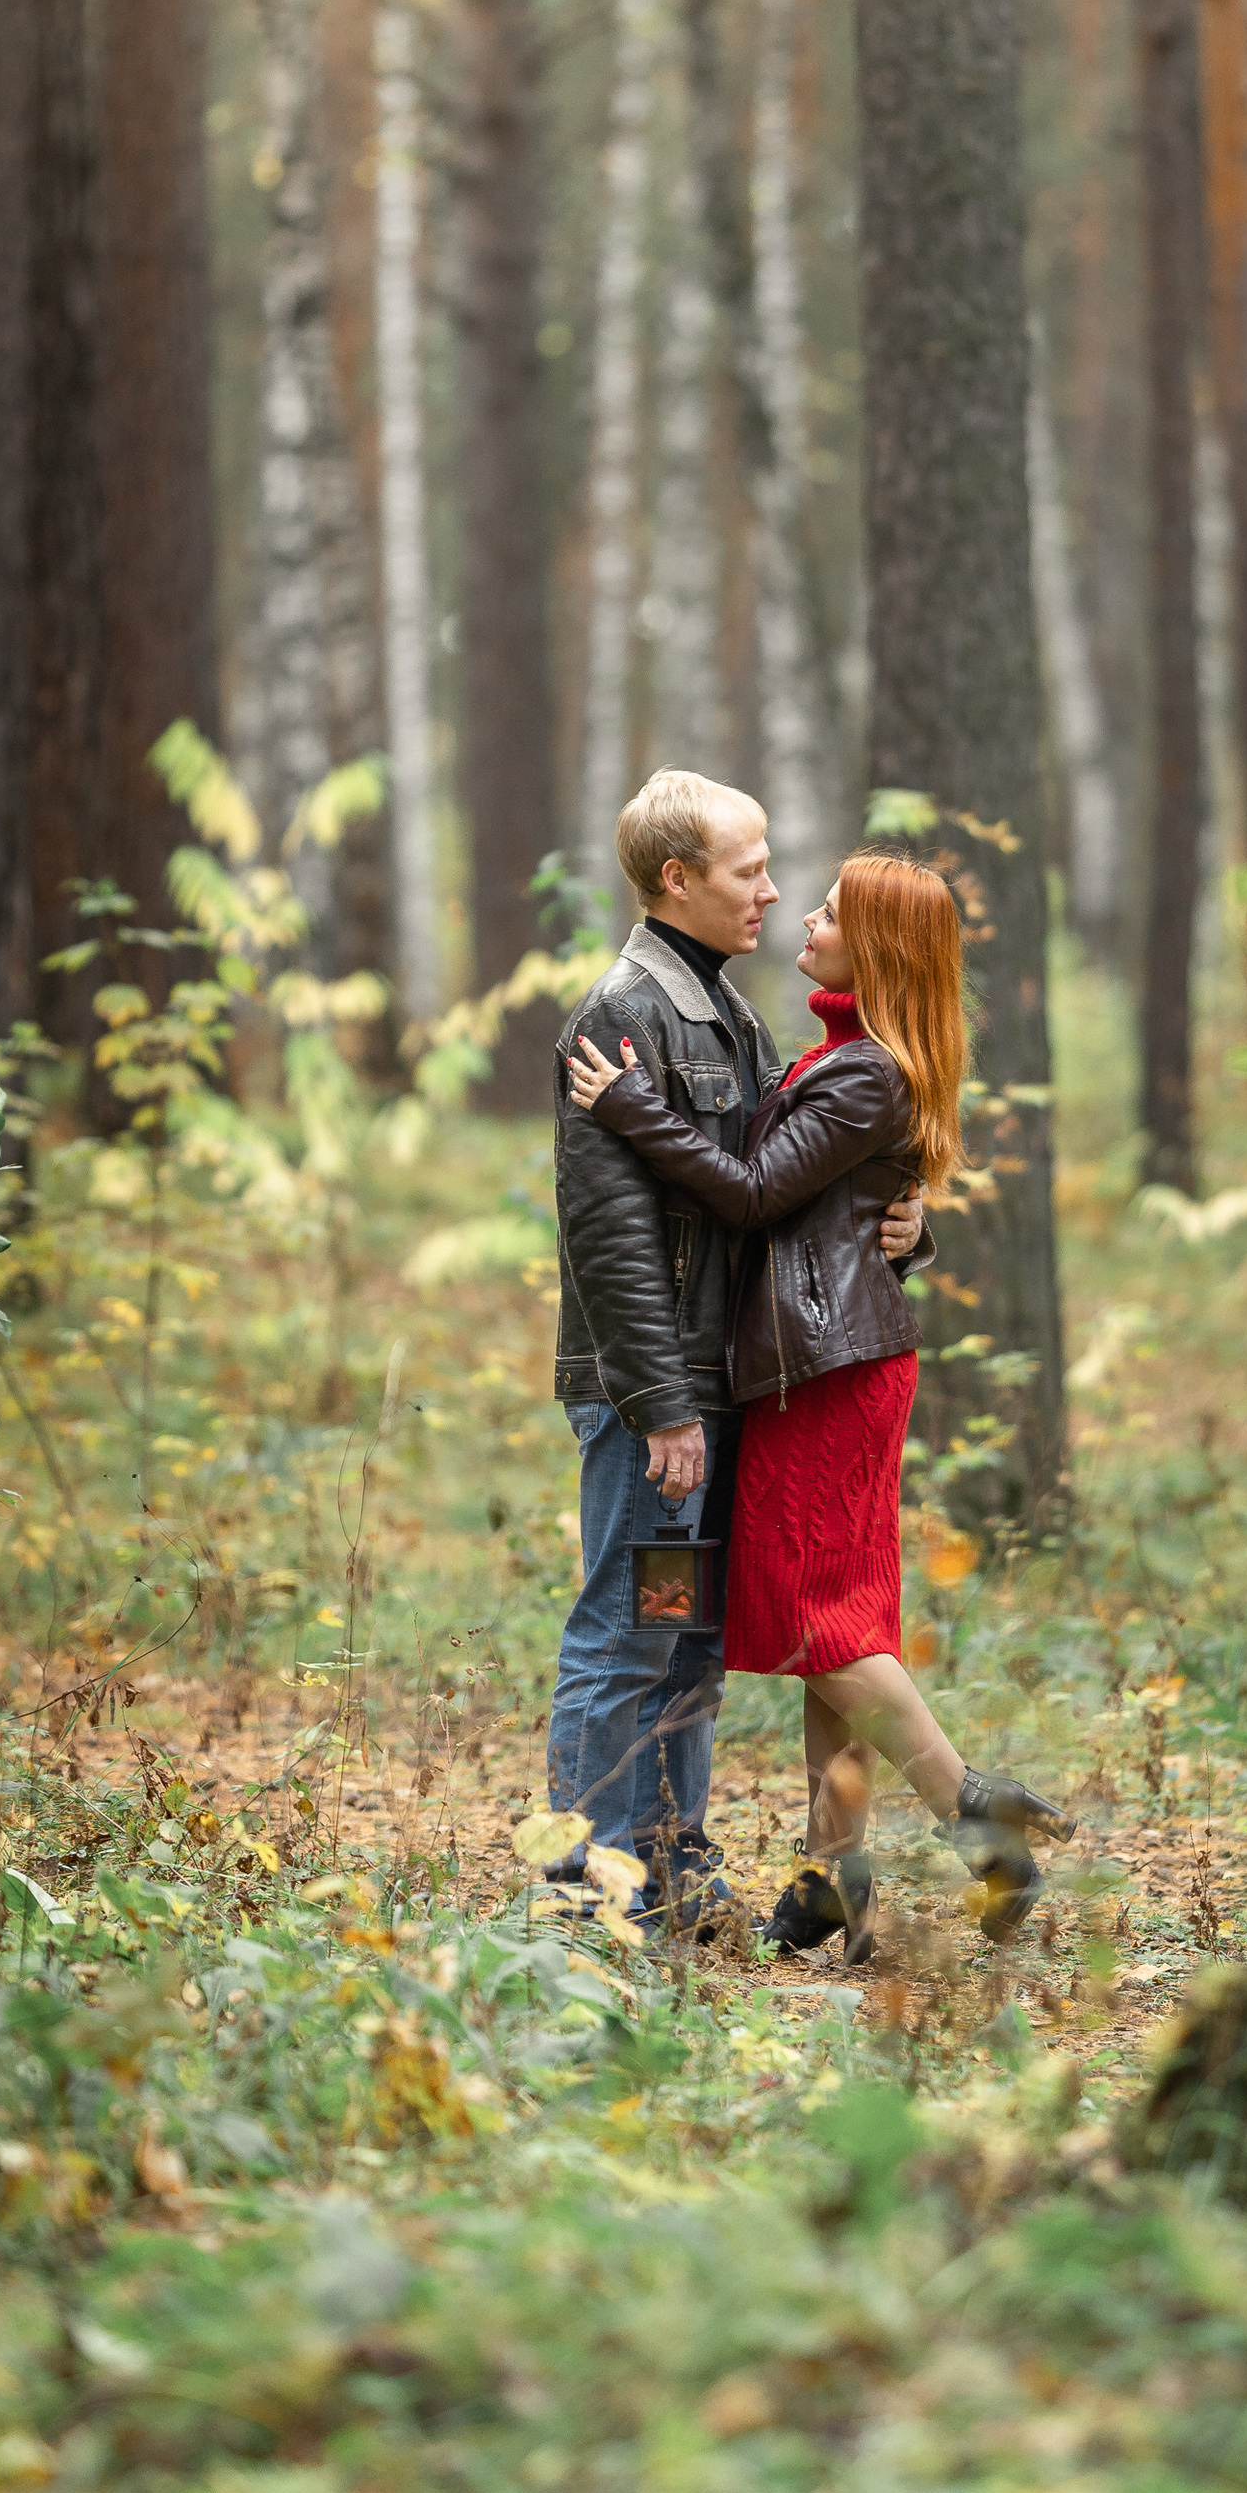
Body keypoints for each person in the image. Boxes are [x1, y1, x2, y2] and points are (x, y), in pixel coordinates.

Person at [567, 847, 1069, 1963]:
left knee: (815, 1617)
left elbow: (754, 1193)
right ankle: (830, 1872)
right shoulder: (841, 1054)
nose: (803, 917)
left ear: (876, 947)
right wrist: (901, 1220)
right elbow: (827, 1201)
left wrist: (631, 1105)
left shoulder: (864, 1070)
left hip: (826, 1371)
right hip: (824, 1357)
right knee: (836, 1612)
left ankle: (973, 1811)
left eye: (831, 913)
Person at [548, 770, 925, 1930]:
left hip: (720, 1389)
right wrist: (660, 1402)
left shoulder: (727, 1011)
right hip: (658, 1399)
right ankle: (593, 1888)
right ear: (678, 878)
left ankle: (672, 1862)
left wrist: (905, 1224)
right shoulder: (624, 1015)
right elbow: (611, 1238)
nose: (770, 889)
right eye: (748, 868)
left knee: (686, 1638)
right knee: (629, 1632)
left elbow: (789, 1187)